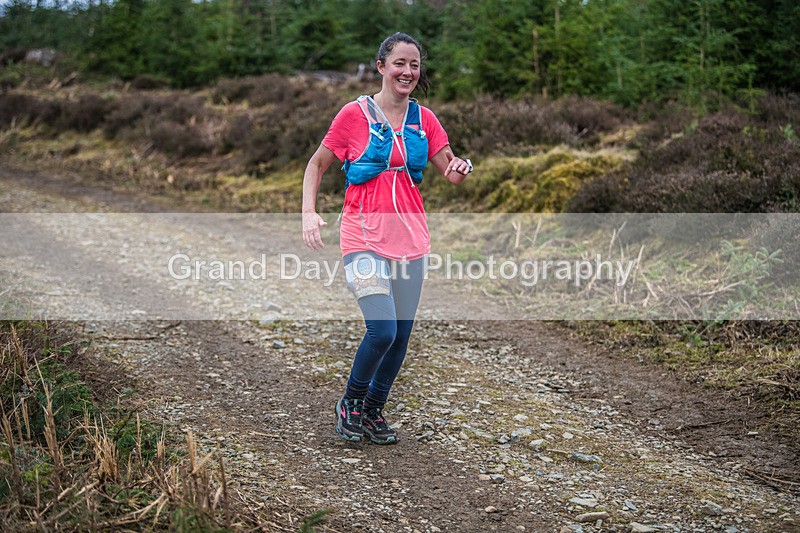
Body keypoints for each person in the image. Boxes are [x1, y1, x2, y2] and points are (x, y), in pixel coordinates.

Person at [301, 32, 472, 444]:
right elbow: (316, 164)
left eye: (414, 65)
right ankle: (351, 403)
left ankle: (374, 411)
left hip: (411, 240)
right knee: (382, 329)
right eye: (399, 63)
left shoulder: (424, 119)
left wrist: (461, 168)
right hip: (362, 235)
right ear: (381, 66)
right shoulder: (353, 115)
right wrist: (309, 211)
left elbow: (449, 171)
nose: (408, 72)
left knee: (401, 335)